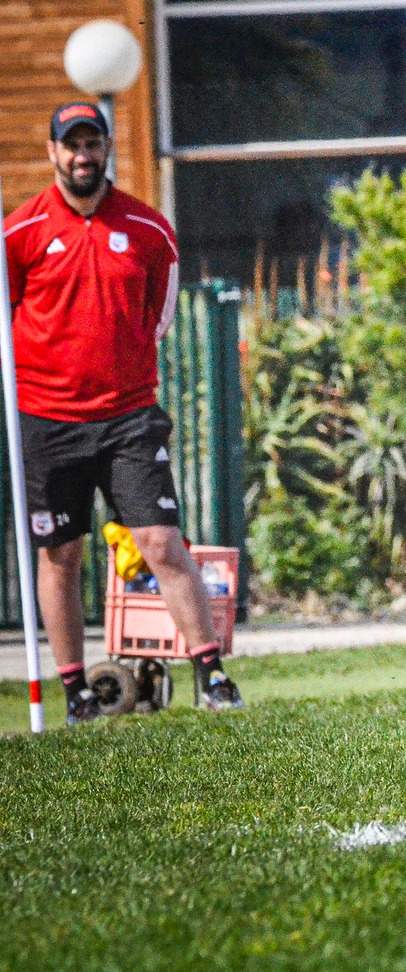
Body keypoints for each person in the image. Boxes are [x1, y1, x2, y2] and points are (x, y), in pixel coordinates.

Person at [3, 102, 242, 722]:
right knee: (61, 553)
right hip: (47, 417)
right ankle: (76, 690)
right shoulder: (20, 233)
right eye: (71, 145)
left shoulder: (148, 228)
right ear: (53, 152)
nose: (83, 156)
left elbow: (160, 314)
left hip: (129, 415)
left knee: (161, 541)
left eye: (93, 144)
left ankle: (212, 675)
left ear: (106, 149)